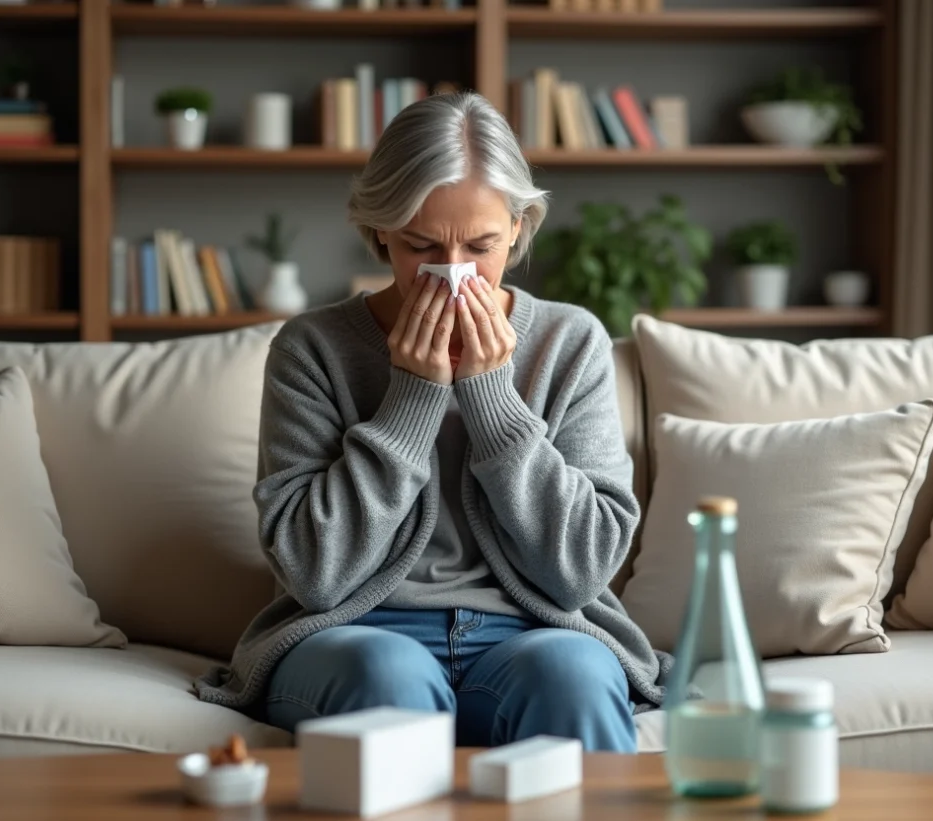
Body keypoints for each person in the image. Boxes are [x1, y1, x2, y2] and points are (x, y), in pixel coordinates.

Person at [194, 91, 668, 753]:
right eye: (422, 246)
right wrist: (412, 399)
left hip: (530, 633)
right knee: (388, 673)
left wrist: (492, 399)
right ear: (380, 230)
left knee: (575, 676)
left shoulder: (569, 342)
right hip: (356, 635)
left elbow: (582, 573)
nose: (454, 276)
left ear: (520, 228)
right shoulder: (314, 348)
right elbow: (314, 574)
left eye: (482, 245)